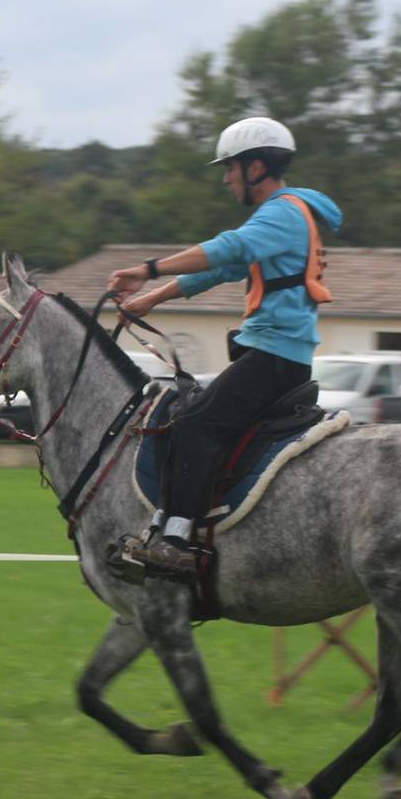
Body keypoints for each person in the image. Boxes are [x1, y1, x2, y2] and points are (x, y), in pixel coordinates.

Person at [104, 116, 343, 580]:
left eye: (229, 167)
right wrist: (151, 300)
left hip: (275, 357)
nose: (225, 177)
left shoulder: (282, 212)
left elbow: (228, 248)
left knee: (194, 423)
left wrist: (148, 269)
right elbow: (219, 270)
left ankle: (177, 542)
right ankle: (161, 530)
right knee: (183, 414)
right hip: (273, 354)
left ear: (255, 167)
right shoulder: (287, 215)